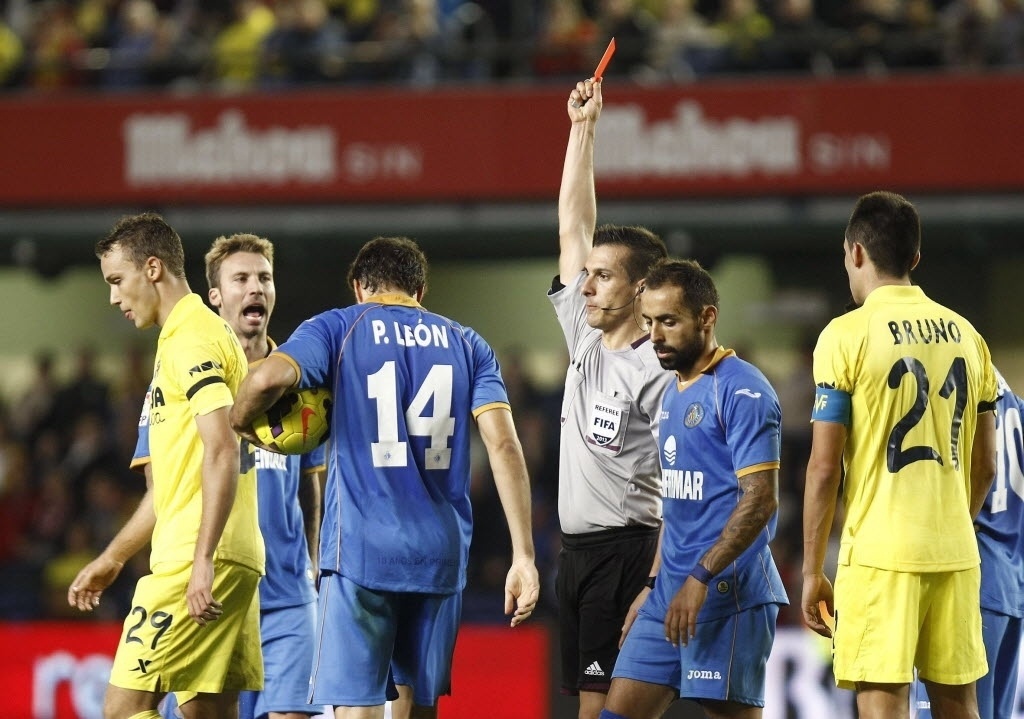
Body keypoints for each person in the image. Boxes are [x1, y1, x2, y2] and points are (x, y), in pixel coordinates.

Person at [228, 236, 540, 718]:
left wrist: (241, 424)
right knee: (416, 706)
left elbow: (267, 378)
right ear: (421, 290)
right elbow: (504, 445)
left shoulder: (337, 327)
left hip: (360, 551)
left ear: (359, 287)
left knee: (358, 705)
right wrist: (524, 555)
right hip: (439, 554)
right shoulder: (467, 342)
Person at [801, 191, 998, 719]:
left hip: (880, 555)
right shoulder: (969, 336)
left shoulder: (844, 335)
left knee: (883, 708)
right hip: (956, 554)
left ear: (856, 252)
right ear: (915, 257)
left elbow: (823, 467)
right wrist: (953, 524)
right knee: (960, 707)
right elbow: (986, 466)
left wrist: (812, 570)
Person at [68, 212, 265, 719]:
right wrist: (114, 558)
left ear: (152, 269)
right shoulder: (184, 338)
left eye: (117, 280)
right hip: (232, 552)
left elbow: (223, 448)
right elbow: (166, 490)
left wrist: (202, 559)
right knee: (206, 713)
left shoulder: (192, 337)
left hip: (195, 557)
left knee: (122, 708)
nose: (113, 297)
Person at [134, 233, 326, 719]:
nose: (255, 288)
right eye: (241, 279)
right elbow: (160, 492)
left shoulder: (301, 384)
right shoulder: (180, 376)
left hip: (287, 599)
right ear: (215, 295)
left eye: (264, 278)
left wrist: (312, 559)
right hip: (212, 591)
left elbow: (310, 482)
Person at [598, 258, 788, 719]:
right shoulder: (673, 391)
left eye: (668, 321)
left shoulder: (742, 390)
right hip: (669, 594)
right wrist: (653, 583)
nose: (654, 336)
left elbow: (761, 498)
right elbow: (677, 501)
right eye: (648, 322)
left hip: (727, 596)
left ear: (707, 318)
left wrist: (700, 576)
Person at [554, 76, 674, 719]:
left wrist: (655, 579)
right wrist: (583, 128)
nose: (587, 286)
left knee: (602, 712)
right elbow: (574, 223)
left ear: (639, 290)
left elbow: (683, 481)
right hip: (574, 555)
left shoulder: (659, 371)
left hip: (627, 552)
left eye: (603, 276)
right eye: (589, 274)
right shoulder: (583, 332)